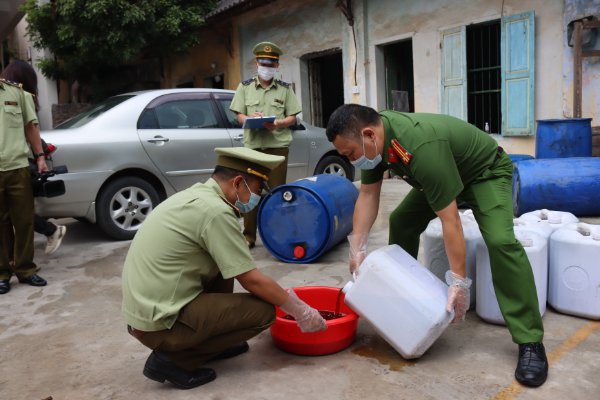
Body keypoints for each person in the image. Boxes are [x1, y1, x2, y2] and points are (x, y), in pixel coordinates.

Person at [326, 104, 548, 388]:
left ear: (369, 135)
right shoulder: (375, 144)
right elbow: (368, 194)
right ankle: (399, 298)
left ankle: (530, 341)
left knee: (500, 241)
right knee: (403, 220)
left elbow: (450, 220)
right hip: (444, 173)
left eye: (350, 154)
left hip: (483, 173)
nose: (352, 161)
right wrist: (357, 247)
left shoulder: (419, 145)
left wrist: (459, 281)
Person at [122, 147, 327, 390]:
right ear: (239, 182)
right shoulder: (216, 212)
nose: (258, 197)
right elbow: (251, 280)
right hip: (161, 324)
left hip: (148, 312)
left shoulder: (198, 196)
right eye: (258, 190)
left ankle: (213, 342)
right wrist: (299, 310)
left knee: (225, 265)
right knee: (263, 312)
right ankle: (173, 360)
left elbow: (236, 266)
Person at [229, 41, 302, 248]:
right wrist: (250, 119)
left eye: (271, 64)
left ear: (277, 66)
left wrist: (278, 123)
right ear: (256, 63)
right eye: (264, 63)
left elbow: (294, 117)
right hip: (253, 148)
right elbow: (238, 115)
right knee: (249, 192)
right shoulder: (244, 87)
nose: (267, 68)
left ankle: (277, 236)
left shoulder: (285, 90)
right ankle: (249, 236)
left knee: (276, 193)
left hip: (277, 148)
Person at [1, 60, 67, 256]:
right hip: (14, 163)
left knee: (18, 215)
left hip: (21, 164)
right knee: (13, 215)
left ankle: (49, 233)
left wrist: (39, 157)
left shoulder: (20, 97)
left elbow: (32, 128)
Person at [0, 60, 49, 294]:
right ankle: (2, 274)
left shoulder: (16, 92)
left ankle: (26, 270)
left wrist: (40, 157)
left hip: (18, 167)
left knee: (24, 222)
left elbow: (31, 126)